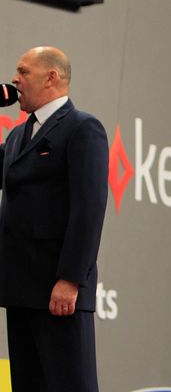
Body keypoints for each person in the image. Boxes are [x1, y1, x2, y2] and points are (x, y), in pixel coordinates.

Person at [0, 46, 108, 391]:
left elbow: (89, 209)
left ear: (51, 77)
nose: (15, 79)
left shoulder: (82, 128)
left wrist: (70, 279)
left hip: (58, 292)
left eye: (23, 71)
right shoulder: (17, 136)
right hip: (20, 289)